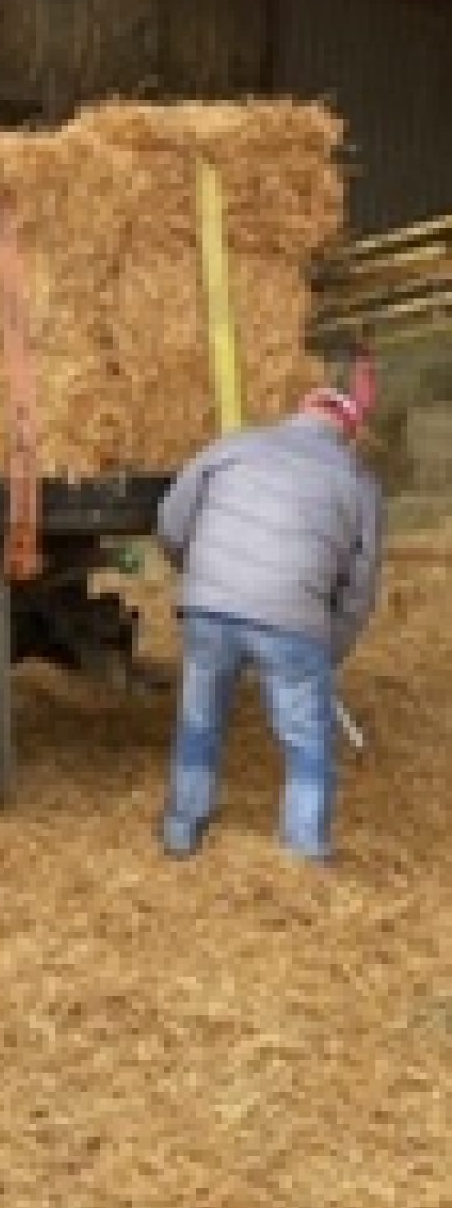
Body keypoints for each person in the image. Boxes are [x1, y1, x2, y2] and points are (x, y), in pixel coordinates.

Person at [155, 370, 383, 864]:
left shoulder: (235, 445)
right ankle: (303, 854)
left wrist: (201, 575)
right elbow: (359, 588)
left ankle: (181, 833)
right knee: (307, 738)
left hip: (210, 609)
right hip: (294, 619)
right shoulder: (358, 482)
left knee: (200, 719)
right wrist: (329, 647)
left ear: (301, 410)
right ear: (349, 431)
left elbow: (172, 520)